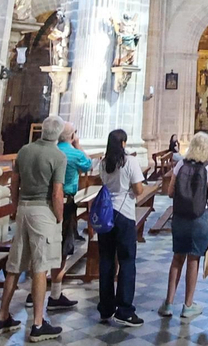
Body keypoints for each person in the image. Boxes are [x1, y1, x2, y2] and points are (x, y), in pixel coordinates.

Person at [0, 115, 67, 342]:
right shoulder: (58, 156)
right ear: (59, 133)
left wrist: (16, 207)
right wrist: (59, 216)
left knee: (14, 265)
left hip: (23, 209)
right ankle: (38, 323)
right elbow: (57, 192)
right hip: (43, 211)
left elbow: (14, 183)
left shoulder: (24, 150)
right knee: (40, 266)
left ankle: (1, 317)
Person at [161, 131, 208, 320]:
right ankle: (188, 305)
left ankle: (168, 303)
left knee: (177, 258)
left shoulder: (180, 165)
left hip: (180, 217)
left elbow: (170, 192)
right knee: (193, 260)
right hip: (199, 218)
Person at [97, 129, 145, 327]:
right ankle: (124, 309)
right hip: (124, 214)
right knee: (126, 261)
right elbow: (139, 189)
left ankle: (106, 307)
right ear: (123, 143)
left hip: (107, 215)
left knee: (106, 261)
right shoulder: (129, 161)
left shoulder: (103, 163)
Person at [47, 122, 93, 310]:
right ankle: (55, 294)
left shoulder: (50, 151)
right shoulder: (74, 154)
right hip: (66, 204)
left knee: (44, 246)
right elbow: (88, 164)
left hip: (46, 204)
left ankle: (34, 293)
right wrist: (78, 145)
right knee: (63, 248)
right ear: (72, 136)